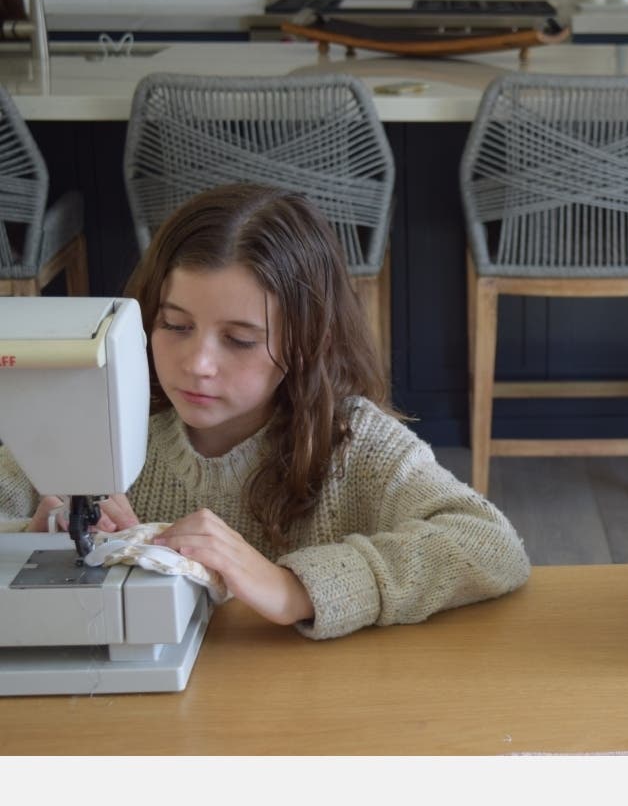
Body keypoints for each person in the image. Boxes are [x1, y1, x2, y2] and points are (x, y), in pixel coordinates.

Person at [0, 183, 531, 638]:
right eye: (176, 326)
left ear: (307, 343)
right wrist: (27, 541)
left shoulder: (353, 444)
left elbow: (488, 544)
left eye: (239, 339)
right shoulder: (92, 414)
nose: (198, 364)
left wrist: (294, 588)